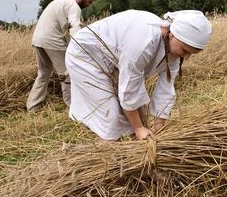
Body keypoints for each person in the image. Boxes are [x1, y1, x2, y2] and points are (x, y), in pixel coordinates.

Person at [65, 10, 212, 141]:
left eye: (192, 53)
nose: (186, 57)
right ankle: (111, 157)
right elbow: (129, 88)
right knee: (111, 115)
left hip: (111, 59)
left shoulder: (173, 48)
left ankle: (130, 147)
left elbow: (166, 89)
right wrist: (138, 128)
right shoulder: (143, 42)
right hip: (85, 54)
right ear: (173, 35)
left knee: (132, 117)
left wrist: (159, 126)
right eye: (185, 50)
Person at [26, 0, 97, 112]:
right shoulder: (73, 6)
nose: (88, 5)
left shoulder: (60, 1)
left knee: (43, 73)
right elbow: (74, 28)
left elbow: (64, 28)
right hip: (53, 42)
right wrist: (81, 48)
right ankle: (72, 106)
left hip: (38, 40)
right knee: (67, 74)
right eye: (89, 1)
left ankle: (32, 107)